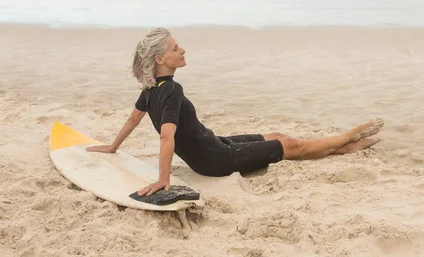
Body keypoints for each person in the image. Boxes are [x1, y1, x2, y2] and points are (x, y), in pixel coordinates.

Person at [87, 28, 384, 197]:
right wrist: (163, 179)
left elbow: (132, 120)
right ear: (160, 58)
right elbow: (167, 138)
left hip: (213, 145)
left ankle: (342, 149)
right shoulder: (171, 91)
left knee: (280, 137)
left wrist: (113, 146)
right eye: (176, 48)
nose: (183, 50)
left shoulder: (150, 90)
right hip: (216, 161)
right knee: (293, 146)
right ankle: (348, 138)